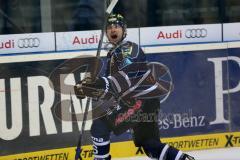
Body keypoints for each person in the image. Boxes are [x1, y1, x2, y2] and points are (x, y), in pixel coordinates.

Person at [74, 13, 195, 160]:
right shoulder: (114, 53)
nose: (113, 29)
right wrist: (88, 88)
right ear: (105, 33)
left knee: (100, 126)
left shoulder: (127, 49)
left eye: (117, 26)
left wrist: (98, 82)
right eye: (109, 27)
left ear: (124, 30)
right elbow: (113, 88)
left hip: (139, 102)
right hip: (144, 102)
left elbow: (126, 78)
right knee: (150, 145)